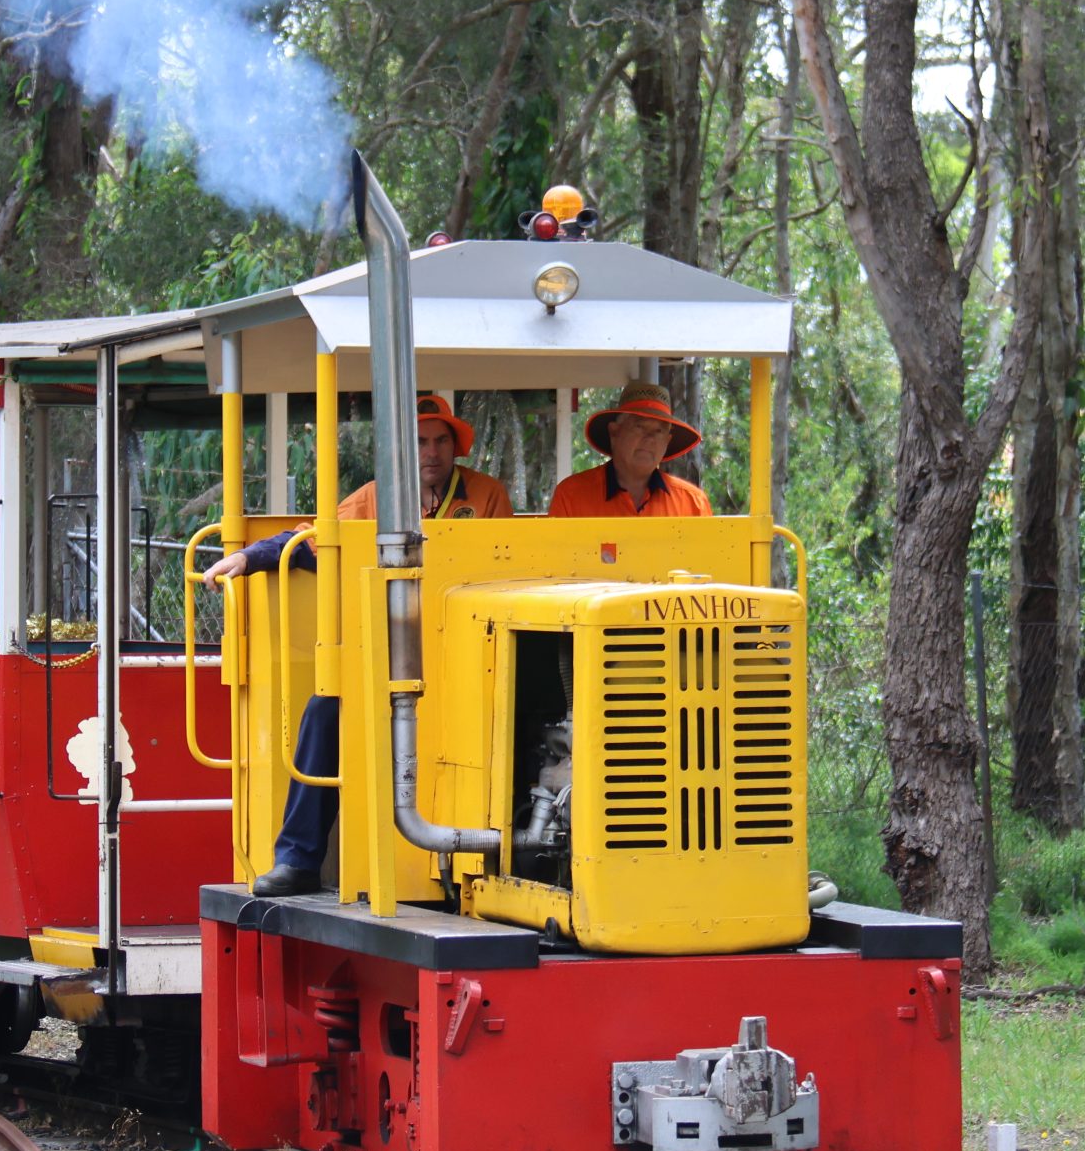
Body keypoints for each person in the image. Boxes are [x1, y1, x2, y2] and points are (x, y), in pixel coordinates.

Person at [203, 394, 512, 897]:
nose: (430, 452)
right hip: (384, 655)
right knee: (324, 714)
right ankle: (298, 860)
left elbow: (505, 567)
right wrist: (254, 556)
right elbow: (319, 541)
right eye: (418, 442)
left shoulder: (486, 495)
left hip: (467, 656)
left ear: (455, 447)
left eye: (439, 441)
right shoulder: (372, 497)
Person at [546, 379, 713, 517]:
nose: (650, 438)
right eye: (639, 427)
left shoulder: (693, 504)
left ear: (667, 441)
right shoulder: (572, 496)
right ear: (614, 432)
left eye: (659, 431)